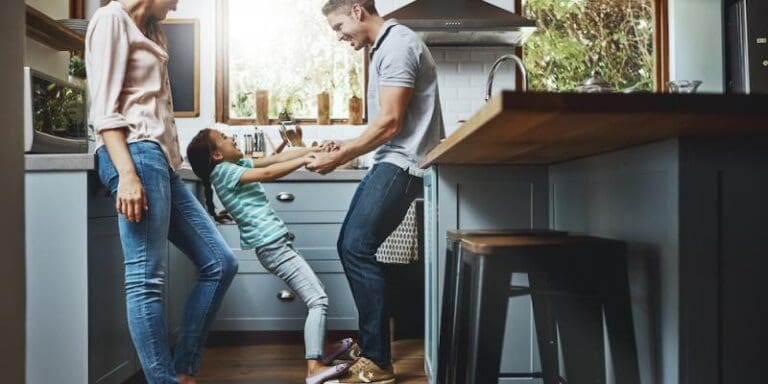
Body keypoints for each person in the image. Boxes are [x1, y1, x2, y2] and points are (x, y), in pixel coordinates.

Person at [86, 1, 238, 383]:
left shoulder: (151, 30)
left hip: (162, 161)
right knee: (145, 279)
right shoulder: (110, 20)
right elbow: (104, 110)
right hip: (135, 154)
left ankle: (182, 371)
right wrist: (127, 173)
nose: (176, 3)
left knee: (220, 263)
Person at [311, 1, 446, 383]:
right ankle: (373, 345)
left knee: (356, 246)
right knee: (352, 246)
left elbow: (389, 123)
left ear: (357, 10)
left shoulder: (398, 43)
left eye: (339, 26)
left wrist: (341, 157)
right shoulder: (385, 47)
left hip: (402, 163)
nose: (339, 37)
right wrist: (345, 147)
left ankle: (377, 360)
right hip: (391, 160)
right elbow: (385, 123)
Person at [186, 128, 352, 384]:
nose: (232, 137)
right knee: (318, 299)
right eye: (224, 137)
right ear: (217, 155)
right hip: (272, 246)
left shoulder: (237, 163)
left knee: (316, 292)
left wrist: (313, 150)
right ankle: (314, 367)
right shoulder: (224, 172)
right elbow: (267, 173)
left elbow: (274, 160)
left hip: (275, 244)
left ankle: (324, 350)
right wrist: (305, 160)